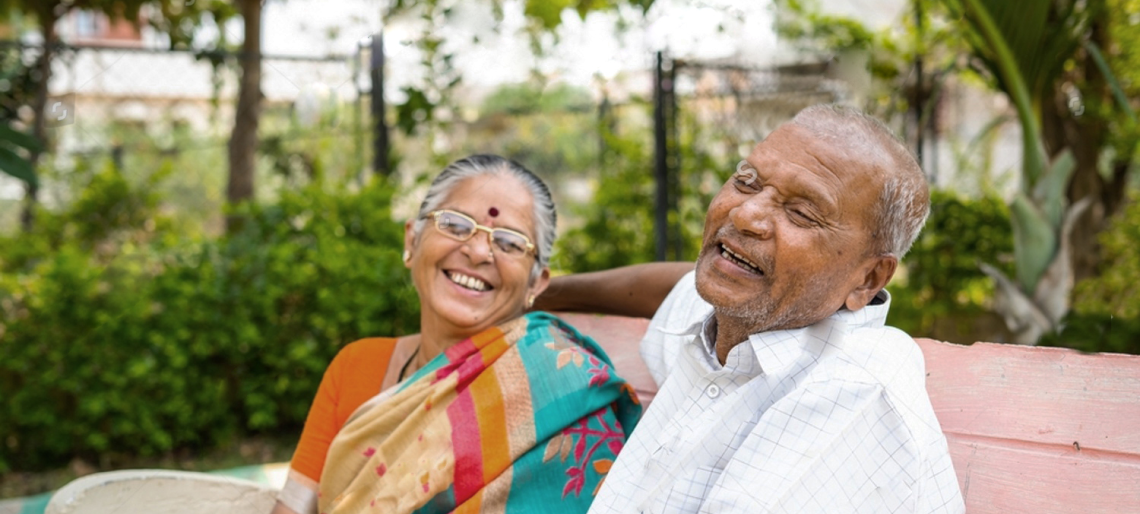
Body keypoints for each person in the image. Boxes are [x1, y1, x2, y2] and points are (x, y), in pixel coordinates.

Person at [537, 105, 965, 513]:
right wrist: (539, 292)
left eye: (801, 213)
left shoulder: (853, 388)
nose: (745, 214)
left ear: (868, 279)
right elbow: (671, 286)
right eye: (746, 182)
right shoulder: (741, 316)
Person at [272, 155, 641, 514]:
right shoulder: (357, 367)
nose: (479, 251)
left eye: (510, 243)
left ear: (537, 283)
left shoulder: (565, 387)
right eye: (455, 224)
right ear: (411, 241)